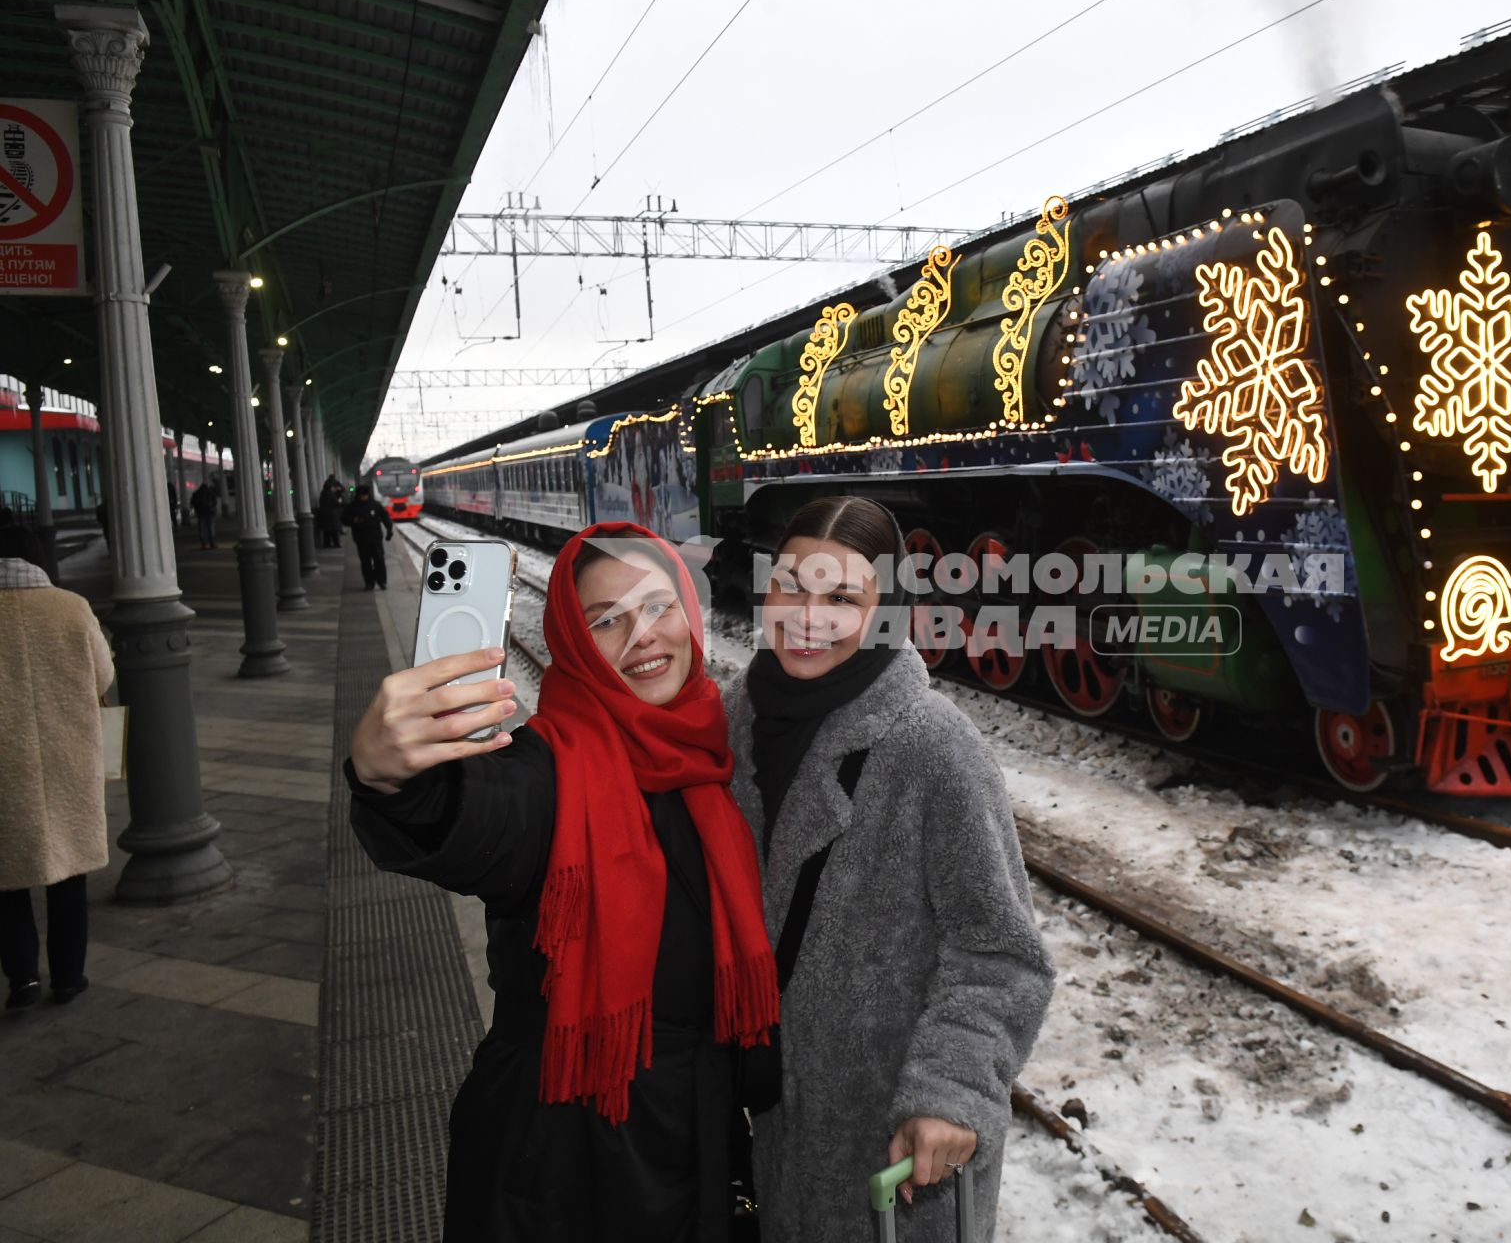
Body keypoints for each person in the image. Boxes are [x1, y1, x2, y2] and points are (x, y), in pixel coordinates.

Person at [346, 525, 777, 1241]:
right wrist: (393, 781)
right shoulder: (548, 771)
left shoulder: (713, 752)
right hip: (563, 1171)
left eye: (659, 606)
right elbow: (482, 819)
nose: (642, 635)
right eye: (605, 620)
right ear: (572, 642)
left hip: (696, 1149)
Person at [725, 495, 1053, 1242]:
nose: (810, 616)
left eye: (844, 597)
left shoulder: (934, 747)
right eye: (792, 586)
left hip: (895, 1155)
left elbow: (1000, 955)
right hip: (770, 1131)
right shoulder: (732, 720)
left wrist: (950, 1089)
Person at [0, 525, 114, 1012]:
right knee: (70, 873)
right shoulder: (71, 607)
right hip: (68, 756)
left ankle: (22, 979)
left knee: (5, 876)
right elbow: (105, 674)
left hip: (7, 763)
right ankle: (68, 976)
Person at [343, 486, 393, 590]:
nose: (363, 498)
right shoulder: (352, 506)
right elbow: (343, 518)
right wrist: (353, 521)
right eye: (361, 496)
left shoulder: (375, 505)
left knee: (379, 559)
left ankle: (382, 581)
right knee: (365, 561)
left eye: (365, 495)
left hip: (375, 537)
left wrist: (389, 528)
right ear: (358, 495)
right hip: (361, 538)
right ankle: (369, 583)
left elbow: (385, 516)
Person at [189, 480, 220, 550]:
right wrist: (211, 506)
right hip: (209, 513)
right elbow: (215, 502)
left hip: (201, 514)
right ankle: (212, 544)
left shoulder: (196, 494)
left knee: (202, 530)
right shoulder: (210, 493)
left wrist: (197, 508)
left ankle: (204, 544)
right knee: (211, 529)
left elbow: (192, 503)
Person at [318, 475, 345, 549]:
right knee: (334, 530)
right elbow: (336, 503)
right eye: (333, 487)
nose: (334, 488)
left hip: (324, 514)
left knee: (326, 531)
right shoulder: (331, 494)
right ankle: (336, 544)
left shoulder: (323, 493)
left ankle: (327, 543)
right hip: (331, 514)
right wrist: (340, 503)